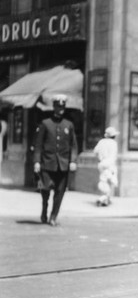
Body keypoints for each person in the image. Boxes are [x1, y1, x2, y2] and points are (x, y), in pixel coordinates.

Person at [33, 94, 78, 226]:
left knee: (60, 192)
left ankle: (53, 216)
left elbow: (73, 145)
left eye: (63, 107)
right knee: (45, 189)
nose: (61, 109)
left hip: (63, 165)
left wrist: (73, 161)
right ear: (54, 107)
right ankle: (44, 209)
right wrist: (36, 161)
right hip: (47, 163)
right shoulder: (45, 123)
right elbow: (38, 145)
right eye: (58, 106)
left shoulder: (68, 125)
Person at [93, 126, 119, 206]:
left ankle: (104, 197)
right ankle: (105, 198)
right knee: (111, 181)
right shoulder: (114, 143)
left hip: (102, 164)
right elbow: (114, 155)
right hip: (110, 164)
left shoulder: (101, 142)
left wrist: (100, 158)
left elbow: (95, 151)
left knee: (103, 180)